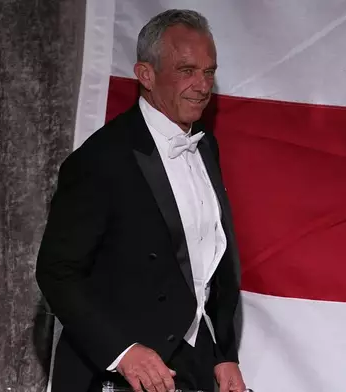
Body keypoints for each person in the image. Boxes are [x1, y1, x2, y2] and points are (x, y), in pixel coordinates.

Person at [36, 9, 248, 392]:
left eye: (209, 72)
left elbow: (212, 264)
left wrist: (224, 354)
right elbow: (56, 272)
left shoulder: (206, 148)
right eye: (187, 70)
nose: (202, 85)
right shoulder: (100, 160)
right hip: (115, 375)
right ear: (145, 75)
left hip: (191, 368)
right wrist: (123, 351)